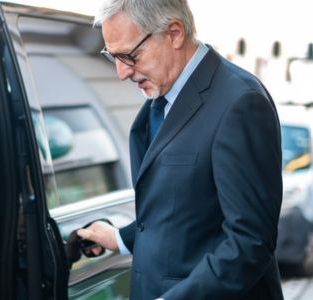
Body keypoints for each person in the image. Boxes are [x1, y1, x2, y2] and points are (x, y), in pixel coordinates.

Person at [76, 0, 283, 299]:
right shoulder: (163, 96)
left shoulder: (241, 103)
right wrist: (120, 238)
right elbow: (187, 211)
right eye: (113, 56)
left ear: (174, 33)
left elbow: (250, 242)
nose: (122, 72)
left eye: (129, 55)